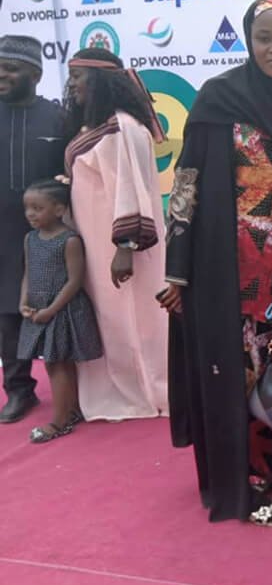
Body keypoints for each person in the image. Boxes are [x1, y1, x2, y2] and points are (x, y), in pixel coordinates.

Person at [162, 0, 272, 526]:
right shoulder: (217, 98)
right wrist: (177, 269)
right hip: (226, 267)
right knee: (239, 371)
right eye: (263, 38)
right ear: (248, 41)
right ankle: (247, 483)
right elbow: (186, 185)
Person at [63, 47, 168, 422]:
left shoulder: (123, 128)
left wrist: (125, 246)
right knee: (112, 318)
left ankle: (148, 392)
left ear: (99, 80)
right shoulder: (100, 127)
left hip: (122, 246)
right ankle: (121, 389)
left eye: (78, 76)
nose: (72, 85)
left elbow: (132, 188)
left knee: (135, 317)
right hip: (96, 244)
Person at [0, 35, 66, 424]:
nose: (2, 75)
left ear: (36, 75)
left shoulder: (57, 117)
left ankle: (73, 392)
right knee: (7, 311)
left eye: (11, 69)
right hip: (2, 232)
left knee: (61, 308)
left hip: (51, 233)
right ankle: (18, 389)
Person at [18, 179, 102, 442]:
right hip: (38, 310)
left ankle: (59, 421)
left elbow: (75, 281)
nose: (30, 214)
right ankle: (71, 410)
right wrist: (23, 301)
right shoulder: (30, 238)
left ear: (59, 209)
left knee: (57, 364)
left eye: (37, 208)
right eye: (27, 208)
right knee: (56, 363)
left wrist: (52, 309)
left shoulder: (69, 240)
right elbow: (28, 273)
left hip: (62, 311)